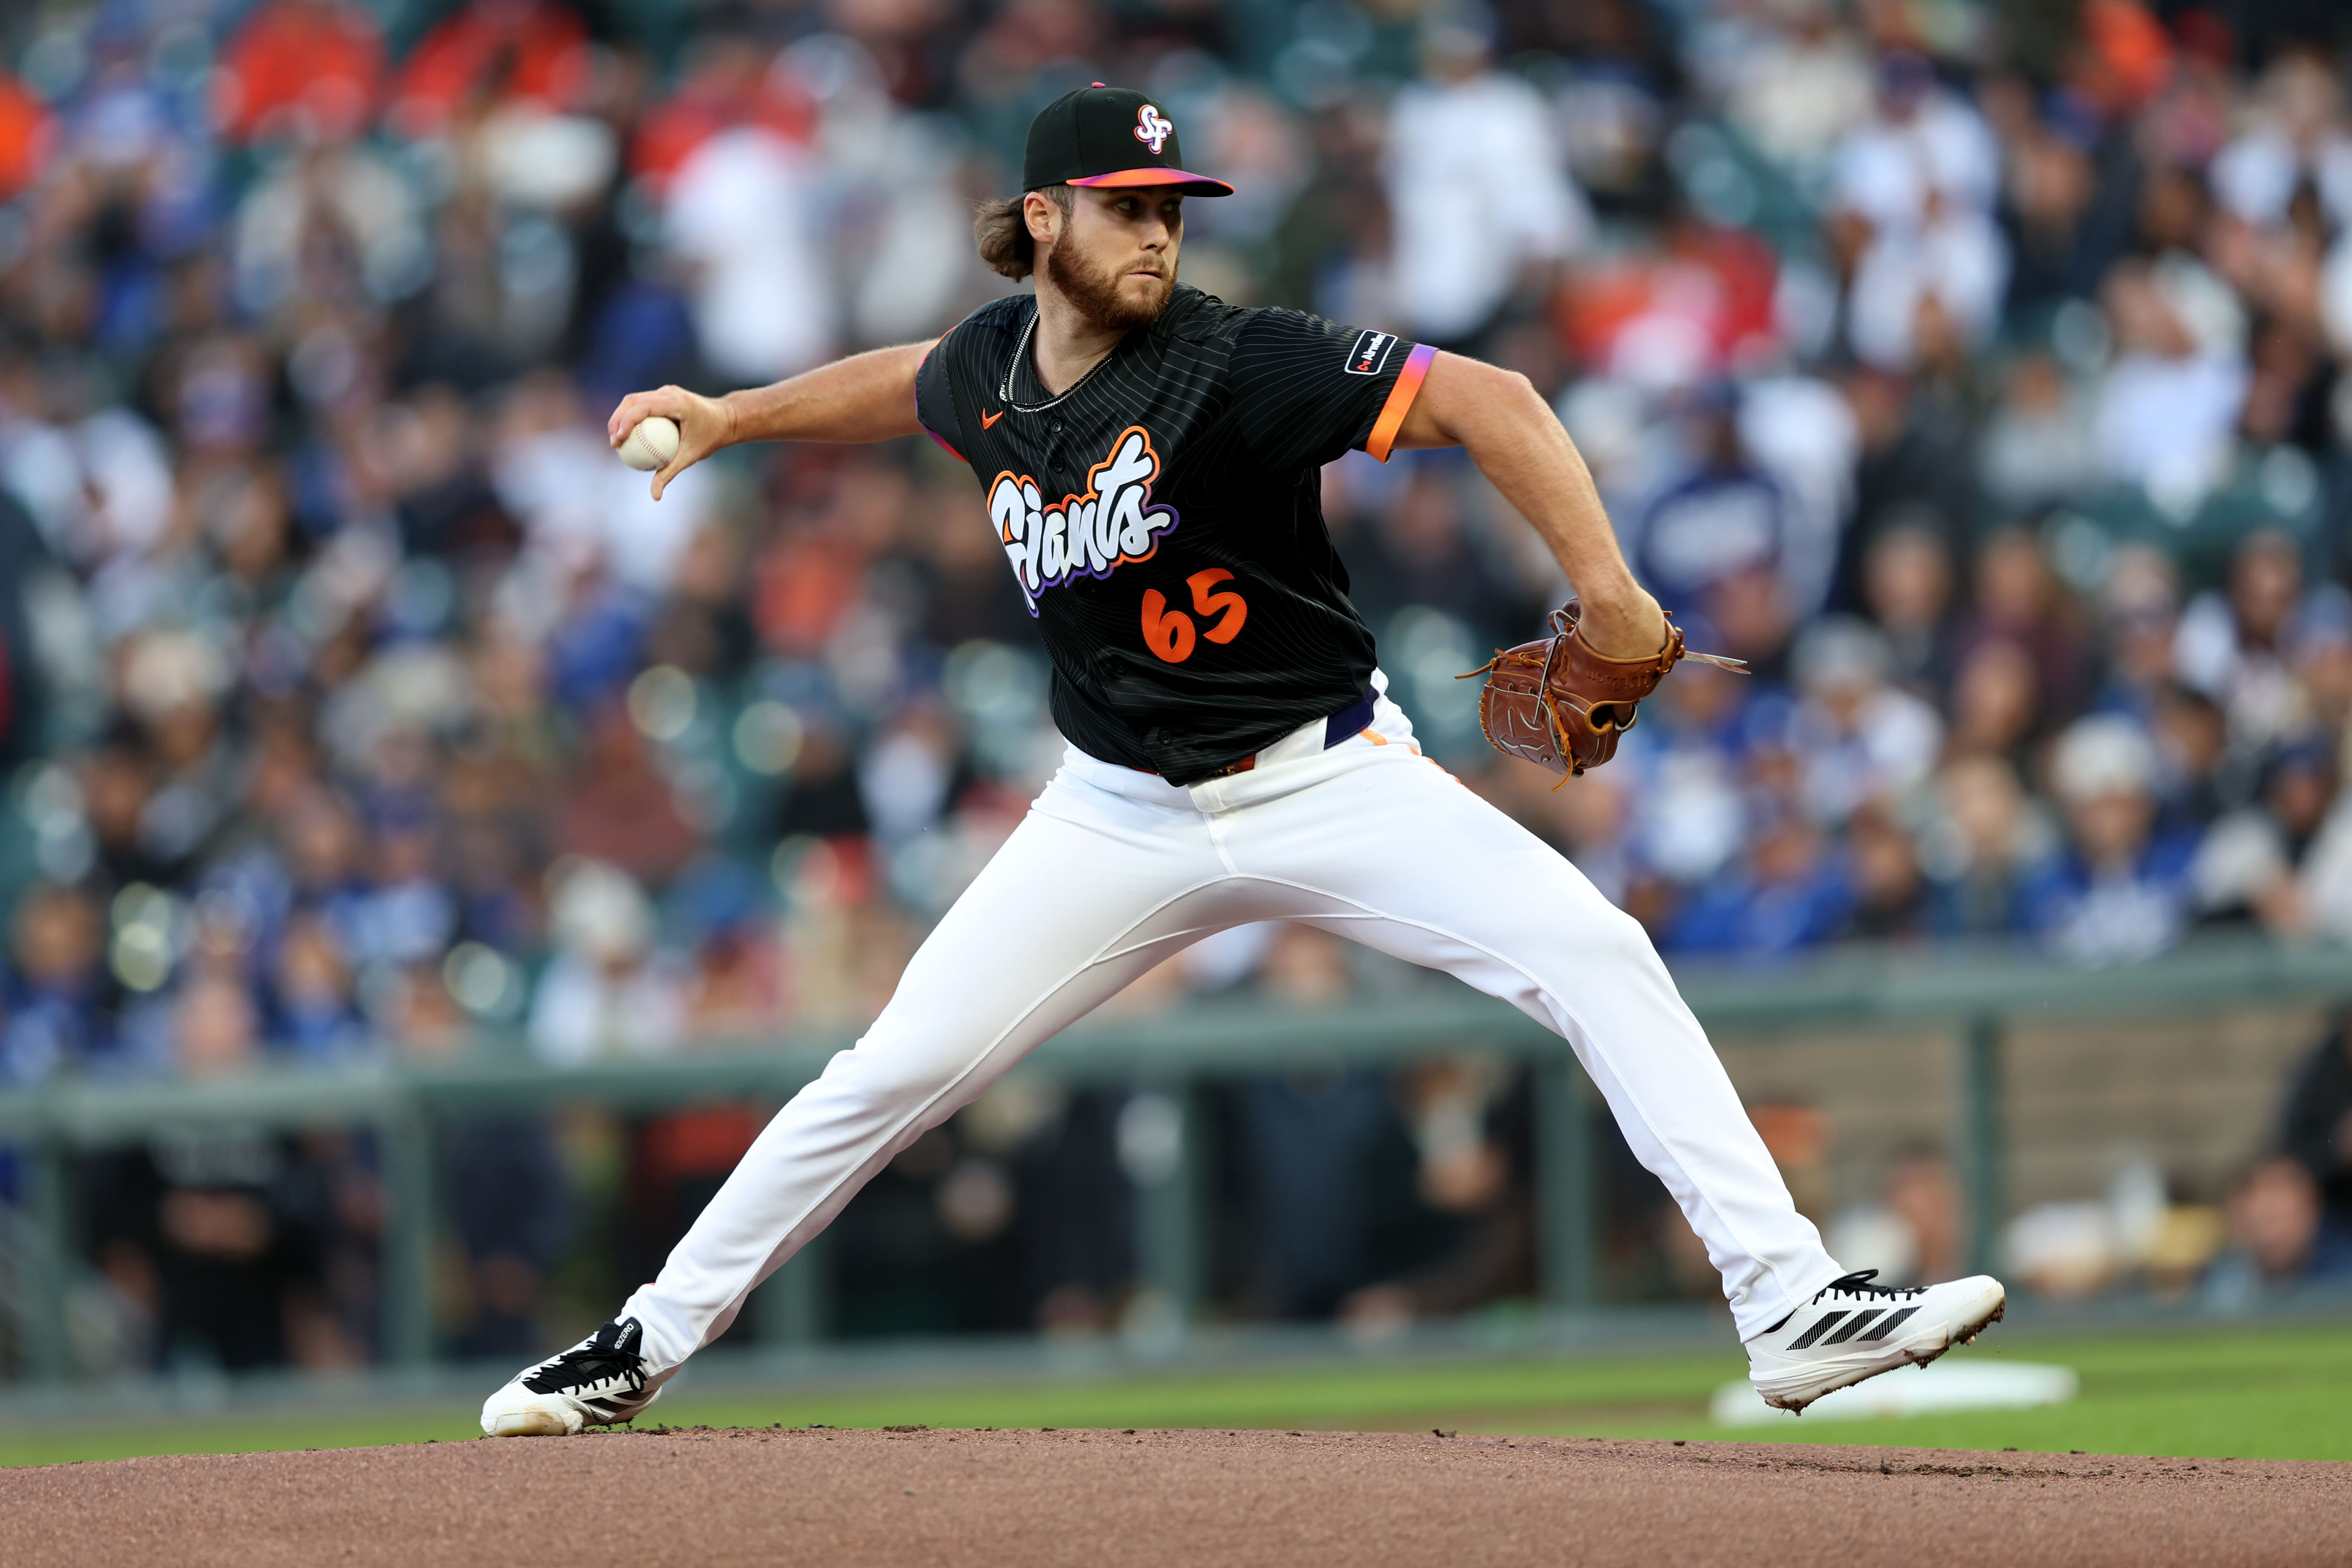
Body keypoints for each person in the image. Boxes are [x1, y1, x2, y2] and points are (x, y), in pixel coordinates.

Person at [480, 85, 2004, 1436]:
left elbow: (1498, 399)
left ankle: (1790, 1306)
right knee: (895, 1068)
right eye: (1129, 208)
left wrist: (1611, 596)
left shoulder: (1237, 361)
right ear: (1041, 219)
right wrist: (735, 416)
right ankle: (641, 1342)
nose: (1159, 232)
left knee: (1596, 953)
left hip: (1331, 779)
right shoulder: (990, 369)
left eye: (1174, 208)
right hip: (1118, 812)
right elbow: (911, 379)